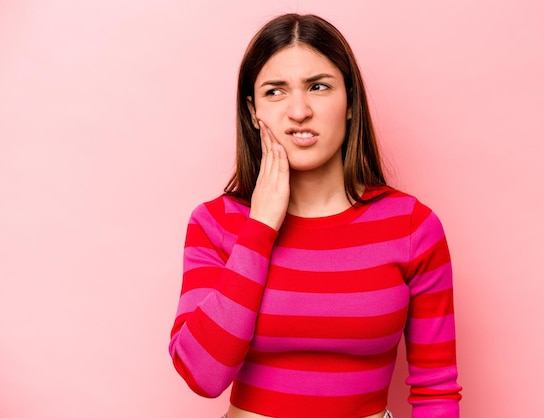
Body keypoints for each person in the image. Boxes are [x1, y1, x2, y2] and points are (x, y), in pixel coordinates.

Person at [169, 13, 462, 418]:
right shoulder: (215, 224)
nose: (299, 111)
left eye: (318, 87)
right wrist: (259, 229)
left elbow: (436, 390)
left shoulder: (413, 226)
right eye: (275, 92)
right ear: (254, 111)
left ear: (349, 103)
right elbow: (202, 376)